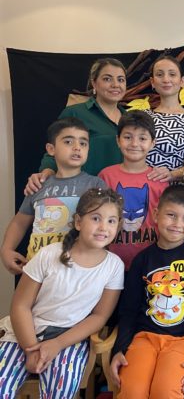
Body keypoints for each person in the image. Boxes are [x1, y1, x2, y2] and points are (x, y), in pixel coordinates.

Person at [0, 188, 125, 398]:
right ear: (78, 222)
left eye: (111, 221)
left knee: (61, 390)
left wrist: (57, 344)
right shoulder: (49, 255)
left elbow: (99, 316)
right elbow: (20, 305)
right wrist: (31, 348)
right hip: (24, 332)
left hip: (68, 339)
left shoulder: (114, 266)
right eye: (96, 218)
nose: (104, 227)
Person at [110, 186, 184, 398]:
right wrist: (118, 349)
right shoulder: (142, 259)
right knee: (132, 391)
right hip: (143, 338)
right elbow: (128, 311)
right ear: (156, 214)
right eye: (171, 215)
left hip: (181, 341)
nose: (177, 224)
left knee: (165, 391)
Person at [1, 117, 105, 274]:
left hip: (77, 270)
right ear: (51, 149)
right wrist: (6, 250)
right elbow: (20, 222)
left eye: (83, 143)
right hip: (36, 268)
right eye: (68, 142)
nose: (77, 147)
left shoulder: (96, 184)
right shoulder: (38, 184)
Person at [25, 58, 128, 195]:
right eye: (107, 79)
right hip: (81, 193)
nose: (115, 84)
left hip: (120, 193)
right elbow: (56, 147)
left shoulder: (129, 120)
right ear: (94, 83)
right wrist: (46, 172)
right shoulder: (75, 113)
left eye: (121, 80)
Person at [98, 111, 168, 270]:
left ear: (153, 143)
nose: (134, 144)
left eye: (142, 138)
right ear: (118, 140)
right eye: (128, 137)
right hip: (109, 263)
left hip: (149, 263)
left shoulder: (159, 179)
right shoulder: (106, 176)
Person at [145, 54, 184, 181]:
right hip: (140, 185)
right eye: (160, 74)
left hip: (173, 190)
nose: (166, 79)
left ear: (182, 81)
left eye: (172, 74)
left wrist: (172, 175)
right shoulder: (143, 117)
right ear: (152, 82)